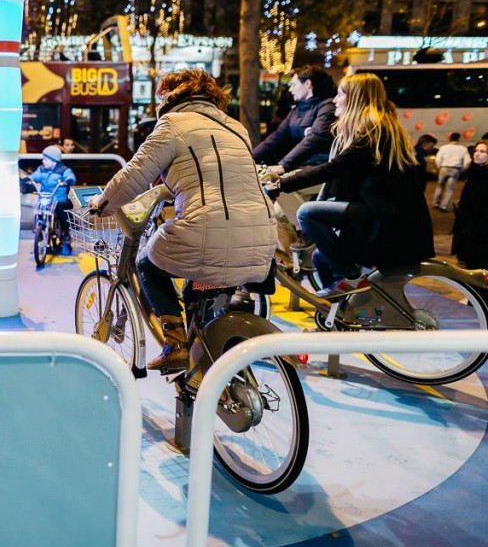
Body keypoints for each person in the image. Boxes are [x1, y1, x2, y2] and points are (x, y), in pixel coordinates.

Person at [90, 69, 276, 373]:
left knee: (147, 263)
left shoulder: (173, 124)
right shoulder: (235, 127)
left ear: (170, 95)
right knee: (200, 285)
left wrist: (103, 204)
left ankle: (175, 346)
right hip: (261, 238)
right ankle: (202, 365)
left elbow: (134, 175)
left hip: (210, 232)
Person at [269, 73, 434, 298]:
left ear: (356, 98)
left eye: (341, 94)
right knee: (319, 257)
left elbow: (333, 168)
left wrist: (280, 184)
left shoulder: (373, 131)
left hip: (384, 218)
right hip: (383, 213)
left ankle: (350, 278)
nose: (335, 100)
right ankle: (345, 310)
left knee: (307, 213)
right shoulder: (377, 127)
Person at [252, 65, 338, 251]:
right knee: (275, 213)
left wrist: (283, 165)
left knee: (279, 184)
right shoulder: (298, 110)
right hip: (304, 167)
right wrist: (248, 158)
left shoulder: (327, 108)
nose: (290, 89)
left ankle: (308, 231)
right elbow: (275, 138)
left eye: (293, 84)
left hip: (322, 169)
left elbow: (313, 141)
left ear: (308, 84)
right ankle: (293, 259)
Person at [26, 144, 76, 255]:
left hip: (58, 199)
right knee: (38, 211)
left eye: (46, 159)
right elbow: (35, 176)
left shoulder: (63, 170)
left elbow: (70, 176)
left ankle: (65, 234)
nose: (43, 161)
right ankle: (39, 233)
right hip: (45, 197)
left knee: (62, 214)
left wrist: (68, 181)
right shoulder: (41, 169)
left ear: (54, 161)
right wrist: (27, 179)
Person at [451, 141, 488, 268]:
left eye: (482, 152)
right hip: (469, 222)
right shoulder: (473, 172)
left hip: (483, 223)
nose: (477, 154)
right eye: (476, 151)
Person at [432, 132, 471, 211]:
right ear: (459, 139)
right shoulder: (463, 148)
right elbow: (468, 161)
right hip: (455, 169)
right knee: (449, 189)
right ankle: (444, 206)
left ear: (450, 138)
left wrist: (439, 166)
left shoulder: (443, 147)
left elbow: (438, 159)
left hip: (444, 168)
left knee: (440, 186)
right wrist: (462, 169)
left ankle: (435, 203)